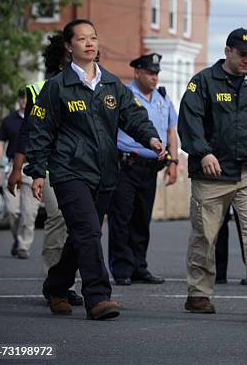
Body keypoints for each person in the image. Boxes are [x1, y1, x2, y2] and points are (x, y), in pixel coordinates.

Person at [24, 19, 166, 321]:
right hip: (68, 172)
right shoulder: (56, 88)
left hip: (105, 173)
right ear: (68, 46)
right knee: (88, 231)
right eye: (82, 39)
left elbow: (133, 117)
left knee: (80, 237)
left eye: (93, 38)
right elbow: (40, 133)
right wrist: (37, 171)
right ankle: (98, 297)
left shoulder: (112, 84)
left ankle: (56, 286)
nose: (89, 43)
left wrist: (151, 138)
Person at [178, 28, 247, 314]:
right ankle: (198, 292)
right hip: (212, 174)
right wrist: (202, 152)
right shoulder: (203, 83)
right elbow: (189, 120)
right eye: (242, 54)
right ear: (227, 51)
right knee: (205, 236)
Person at [7, 31, 83, 306]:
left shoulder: (94, 84)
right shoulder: (40, 89)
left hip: (83, 168)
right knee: (59, 217)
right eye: (79, 41)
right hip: (49, 166)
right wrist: (18, 169)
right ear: (65, 50)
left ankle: (66, 282)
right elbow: (27, 132)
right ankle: (54, 284)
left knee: (81, 226)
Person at [108, 53, 178, 286]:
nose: (154, 77)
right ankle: (121, 269)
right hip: (125, 165)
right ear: (137, 72)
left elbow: (171, 131)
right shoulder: (125, 95)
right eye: (149, 72)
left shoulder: (163, 98)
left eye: (156, 73)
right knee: (122, 218)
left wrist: (173, 162)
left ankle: (139, 266)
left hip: (150, 168)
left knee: (142, 220)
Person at [0, 89, 40, 259]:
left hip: (31, 169)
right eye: (21, 98)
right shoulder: (8, 121)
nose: (24, 102)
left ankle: (23, 245)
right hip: (11, 168)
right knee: (12, 210)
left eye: (26, 99)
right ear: (18, 100)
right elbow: (0, 145)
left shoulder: (38, 118)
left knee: (29, 212)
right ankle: (17, 238)